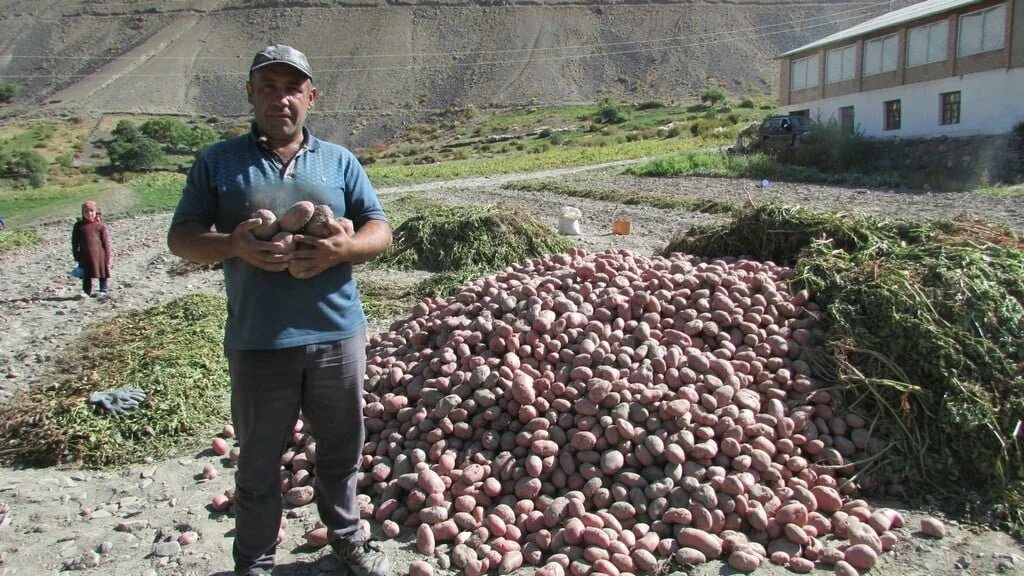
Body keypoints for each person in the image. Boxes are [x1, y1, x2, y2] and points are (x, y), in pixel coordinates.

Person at [167, 44, 392, 576]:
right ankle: (255, 562)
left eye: (291, 87)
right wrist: (234, 245)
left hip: (337, 334)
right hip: (259, 339)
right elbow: (182, 238)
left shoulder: (340, 161)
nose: (280, 98)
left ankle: (347, 540)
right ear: (250, 95)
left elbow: (379, 229)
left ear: (310, 97)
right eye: (267, 86)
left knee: (341, 452)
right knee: (259, 462)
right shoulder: (218, 162)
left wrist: (344, 248)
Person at [71, 200, 112, 298]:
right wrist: (76, 255)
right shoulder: (79, 226)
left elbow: (105, 242)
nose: (89, 213)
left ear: (95, 212)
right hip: (85, 254)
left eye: (91, 211)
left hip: (100, 254)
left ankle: (103, 289)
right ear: (83, 213)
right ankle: (86, 291)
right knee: (86, 274)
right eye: (86, 211)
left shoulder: (100, 225)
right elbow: (74, 242)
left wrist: (108, 256)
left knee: (102, 271)